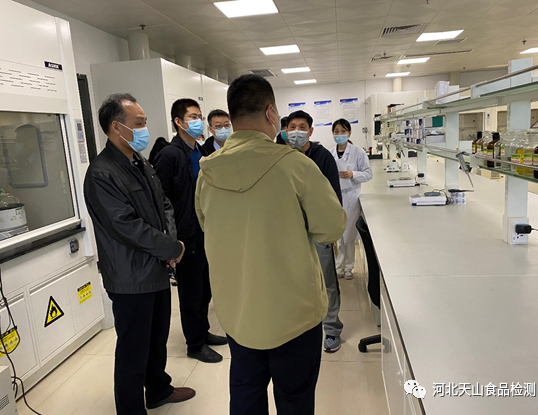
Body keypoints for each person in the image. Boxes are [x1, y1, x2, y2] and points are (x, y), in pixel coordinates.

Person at [195, 74, 347, 415]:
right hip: (292, 313)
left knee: (246, 394)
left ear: (231, 118)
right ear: (270, 112)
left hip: (238, 310)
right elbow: (332, 227)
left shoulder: (207, 173)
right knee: (294, 399)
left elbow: (207, 224)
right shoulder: (295, 165)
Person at [83, 93, 194, 415]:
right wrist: (171, 248)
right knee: (133, 348)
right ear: (116, 127)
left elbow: (163, 204)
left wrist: (171, 244)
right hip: (130, 276)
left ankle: (158, 389)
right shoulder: (102, 173)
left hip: (156, 267)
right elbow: (126, 226)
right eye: (139, 123)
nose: (145, 129)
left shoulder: (139, 161)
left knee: (157, 338)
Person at [154, 98, 227, 364]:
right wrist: (172, 240)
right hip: (186, 236)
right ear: (178, 122)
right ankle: (194, 344)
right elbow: (160, 200)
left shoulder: (199, 151)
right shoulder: (170, 155)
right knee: (191, 292)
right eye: (193, 117)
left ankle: (203, 331)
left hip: (205, 231)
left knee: (205, 289)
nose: (198, 122)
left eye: (199, 117)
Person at [285, 110, 345, 353]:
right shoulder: (280, 156)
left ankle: (331, 329)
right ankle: (299, 327)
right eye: (292, 127)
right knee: (293, 280)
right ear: (285, 130)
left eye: (302, 127)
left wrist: (331, 230)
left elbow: (334, 196)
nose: (296, 132)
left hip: (317, 231)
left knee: (326, 280)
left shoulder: (322, 157)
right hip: (290, 232)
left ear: (310, 131)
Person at [329, 119, 373, 280]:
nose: (339, 134)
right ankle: (338, 266)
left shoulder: (358, 152)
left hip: (351, 197)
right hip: (334, 197)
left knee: (349, 234)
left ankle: (347, 267)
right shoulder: (330, 153)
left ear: (349, 133)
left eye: (343, 131)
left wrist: (353, 174)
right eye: (336, 131)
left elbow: (368, 174)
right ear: (333, 133)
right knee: (338, 234)